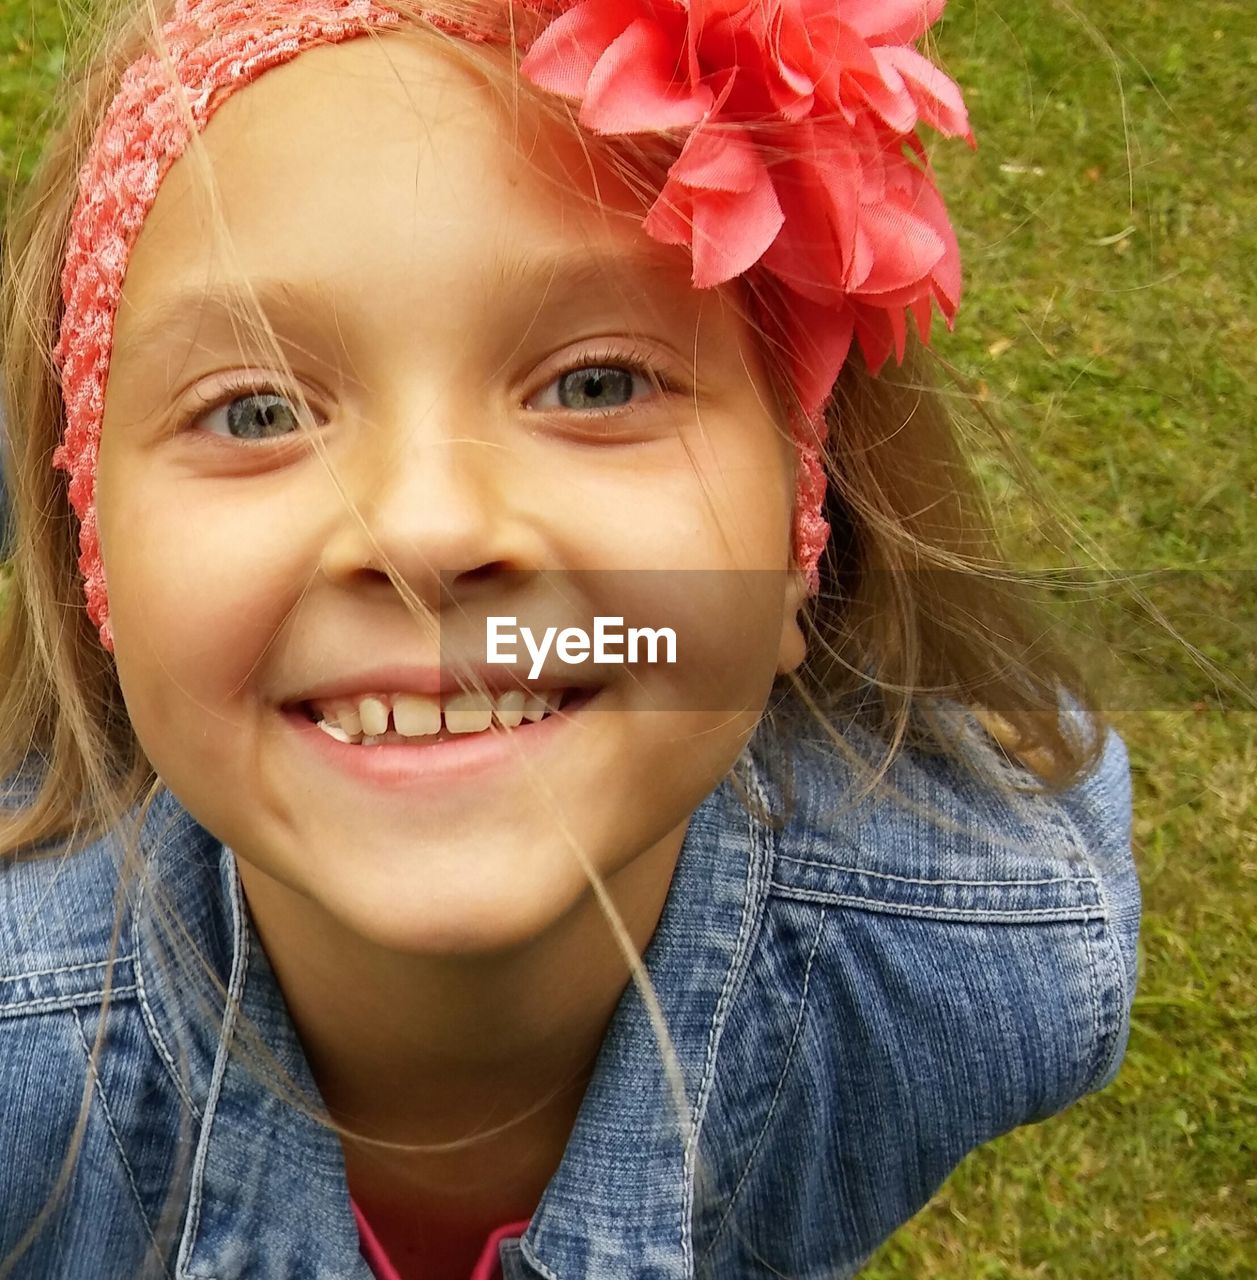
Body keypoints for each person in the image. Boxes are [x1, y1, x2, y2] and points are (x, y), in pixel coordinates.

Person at [0, 2, 1141, 1278]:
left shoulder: (985, 952)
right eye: (256, 408)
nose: (428, 531)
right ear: (92, 561)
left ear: (802, 526)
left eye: (597, 383)